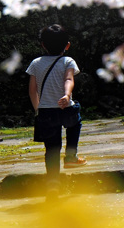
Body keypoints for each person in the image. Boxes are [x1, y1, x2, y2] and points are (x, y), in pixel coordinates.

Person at [26, 24, 85, 186]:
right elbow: (69, 79)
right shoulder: (67, 61)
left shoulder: (36, 63)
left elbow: (32, 90)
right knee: (75, 124)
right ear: (67, 45)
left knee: (52, 148)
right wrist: (66, 95)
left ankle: (52, 182)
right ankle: (71, 156)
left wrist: (38, 108)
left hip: (46, 111)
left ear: (43, 45)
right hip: (65, 108)